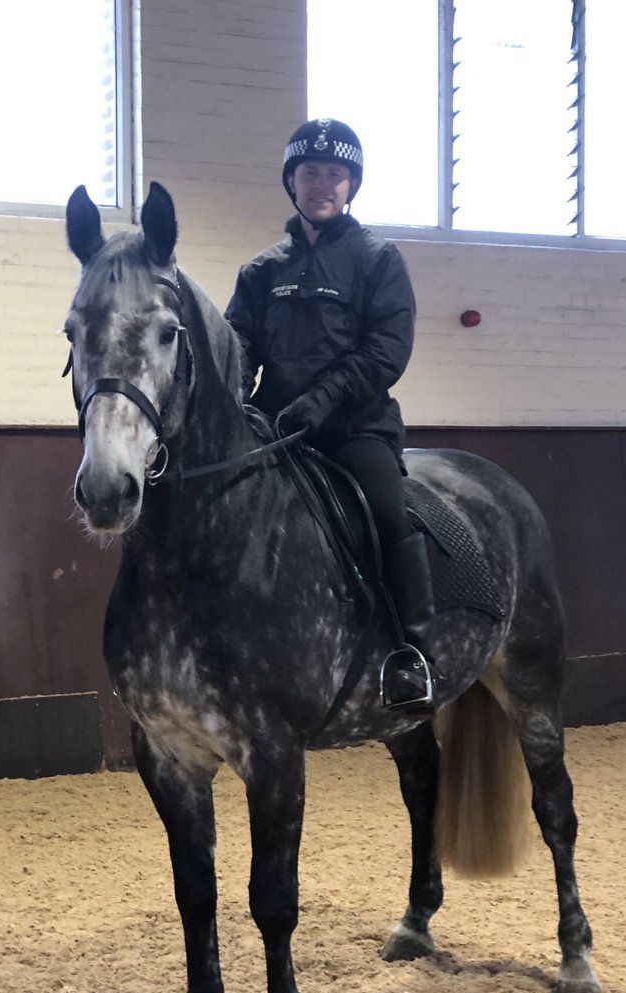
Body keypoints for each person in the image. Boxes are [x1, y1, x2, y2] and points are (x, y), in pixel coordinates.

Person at [225, 117, 436, 711]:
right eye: (310, 172)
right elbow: (238, 344)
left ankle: (411, 652)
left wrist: (322, 400)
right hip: (276, 429)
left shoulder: (378, 260)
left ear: (351, 185)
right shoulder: (261, 271)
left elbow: (387, 348)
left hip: (353, 426)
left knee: (389, 515)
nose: (322, 184)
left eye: (335, 175)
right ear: (291, 181)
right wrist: (237, 397)